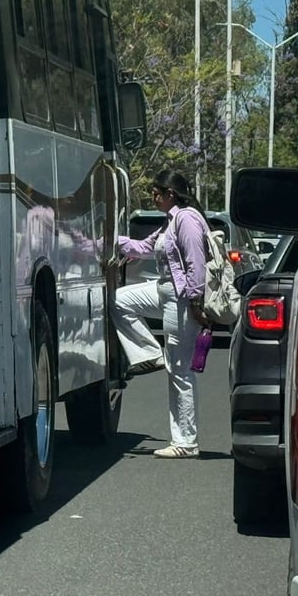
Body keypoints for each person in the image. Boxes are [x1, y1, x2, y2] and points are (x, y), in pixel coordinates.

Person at [113, 169, 210, 459]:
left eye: (157, 192)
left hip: (181, 300)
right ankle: (148, 353)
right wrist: (107, 238)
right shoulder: (170, 221)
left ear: (171, 194)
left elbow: (196, 262)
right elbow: (143, 247)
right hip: (163, 291)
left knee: (180, 371)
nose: (153, 197)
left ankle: (186, 442)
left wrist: (195, 301)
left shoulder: (187, 218)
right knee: (119, 300)